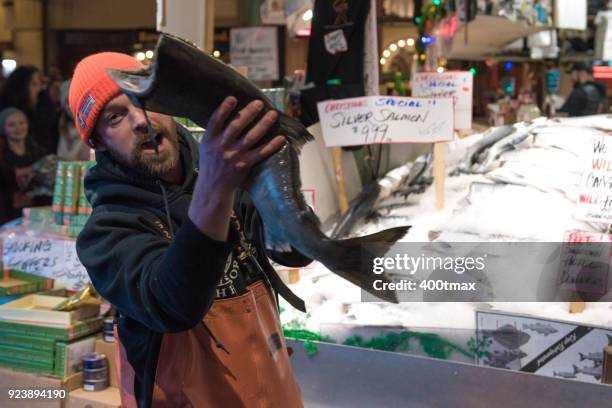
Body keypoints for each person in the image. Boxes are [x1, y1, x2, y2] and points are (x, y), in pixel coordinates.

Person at [71, 53, 309, 407]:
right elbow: (173, 304)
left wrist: (276, 176)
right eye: (116, 116)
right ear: (99, 142)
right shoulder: (106, 233)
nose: (140, 120)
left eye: (144, 100)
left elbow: (293, 252)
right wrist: (217, 187)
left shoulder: (227, 170)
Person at [0, 107, 51, 223]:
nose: (18, 128)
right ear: (3, 128)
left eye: (22, 123)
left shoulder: (38, 151)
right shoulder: (2, 153)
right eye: (12, 125)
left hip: (34, 212)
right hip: (7, 213)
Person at [0, 65, 60, 154]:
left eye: (40, 84)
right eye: (34, 84)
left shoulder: (44, 108)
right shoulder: (7, 112)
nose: (39, 89)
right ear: (21, 87)